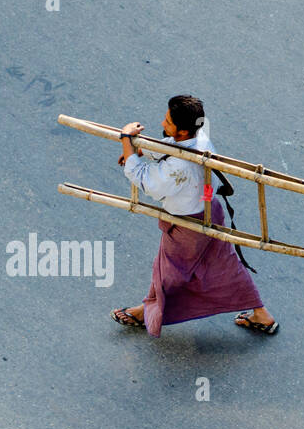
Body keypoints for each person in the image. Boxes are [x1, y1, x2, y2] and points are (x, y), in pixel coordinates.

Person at [110, 95, 278, 337]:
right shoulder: (198, 139)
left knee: (167, 271)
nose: (163, 123)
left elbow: (147, 181)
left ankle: (144, 312)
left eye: (168, 121)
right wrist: (136, 152)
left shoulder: (181, 167)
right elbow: (167, 149)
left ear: (183, 130)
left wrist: (126, 140)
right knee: (225, 264)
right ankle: (261, 314)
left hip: (188, 226)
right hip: (211, 212)